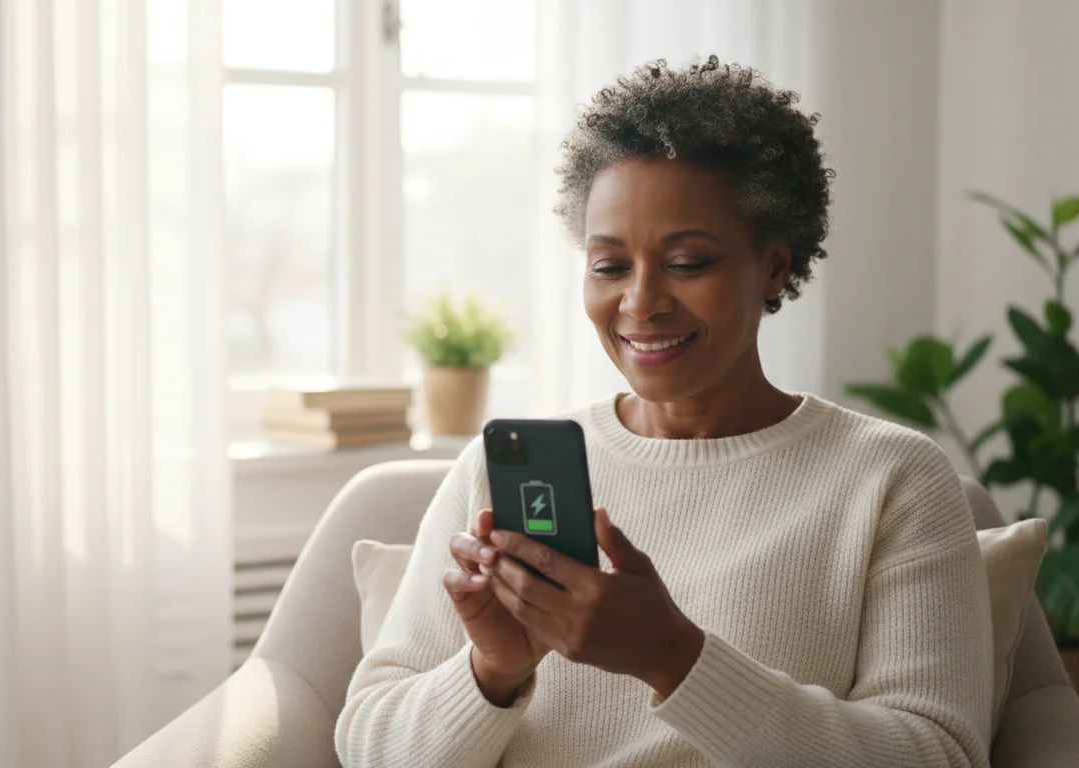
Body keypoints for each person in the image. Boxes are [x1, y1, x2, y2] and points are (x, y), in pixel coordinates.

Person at [334, 56, 993, 768]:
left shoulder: (892, 479)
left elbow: (938, 755)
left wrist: (674, 658)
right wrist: (491, 669)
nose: (640, 303)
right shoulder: (495, 473)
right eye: (610, 265)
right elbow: (370, 746)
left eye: (686, 263)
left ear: (773, 265)